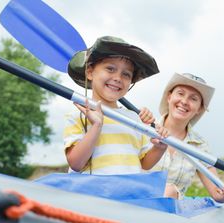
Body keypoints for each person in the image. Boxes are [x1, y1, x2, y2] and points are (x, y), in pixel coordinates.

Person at [63, 36, 168, 175]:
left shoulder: (134, 118)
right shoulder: (78, 115)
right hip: (92, 194)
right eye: (110, 69)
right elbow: (76, 163)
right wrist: (96, 126)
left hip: (127, 193)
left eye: (126, 74)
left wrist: (159, 148)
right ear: (89, 72)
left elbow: (145, 163)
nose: (118, 78)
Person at [152, 73, 224, 203]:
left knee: (169, 191)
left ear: (199, 108)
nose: (184, 102)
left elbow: (217, 194)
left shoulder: (199, 145)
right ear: (169, 97)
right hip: (137, 205)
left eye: (193, 99)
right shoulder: (145, 127)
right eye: (180, 94)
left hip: (171, 215)